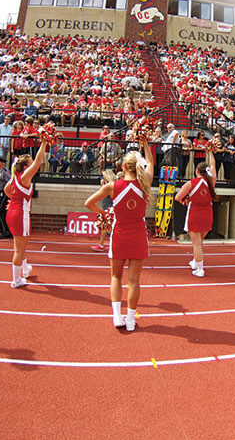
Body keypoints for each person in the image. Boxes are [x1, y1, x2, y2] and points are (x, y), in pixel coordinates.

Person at [84, 140, 154, 331]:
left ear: (123, 167)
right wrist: (145, 143)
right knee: (135, 281)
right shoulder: (144, 183)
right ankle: (130, 320)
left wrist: (104, 213)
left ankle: (117, 316)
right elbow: (151, 162)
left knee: (116, 277)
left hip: (119, 234)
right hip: (139, 235)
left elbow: (88, 203)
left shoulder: (113, 186)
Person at [4, 140, 47, 288]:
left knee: (21, 244)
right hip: (20, 215)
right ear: (25, 166)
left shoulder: (14, 177)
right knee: (19, 249)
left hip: (12, 212)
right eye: (30, 162)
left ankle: (25, 267)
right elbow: (38, 162)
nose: (32, 163)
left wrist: (15, 200)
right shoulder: (24, 176)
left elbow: (6, 190)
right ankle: (16, 280)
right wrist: (44, 142)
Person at [175, 149, 217, 277]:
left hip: (195, 214)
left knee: (196, 244)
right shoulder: (212, 181)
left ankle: (200, 268)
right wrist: (210, 152)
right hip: (208, 214)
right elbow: (214, 165)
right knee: (199, 241)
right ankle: (195, 261)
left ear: (196, 171)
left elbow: (177, 197)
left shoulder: (190, 183)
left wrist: (186, 200)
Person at [91, 169, 117, 252]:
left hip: (109, 208)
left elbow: (103, 194)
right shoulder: (112, 185)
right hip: (107, 207)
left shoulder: (109, 186)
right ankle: (103, 244)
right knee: (106, 227)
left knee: (106, 227)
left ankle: (103, 245)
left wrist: (102, 186)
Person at [0, 156, 12, 239]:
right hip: (0, 194)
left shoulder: (4, 172)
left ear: (2, 163)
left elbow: (10, 181)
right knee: (1, 213)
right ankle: (6, 230)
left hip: (4, 194)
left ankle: (4, 231)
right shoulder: (0, 172)